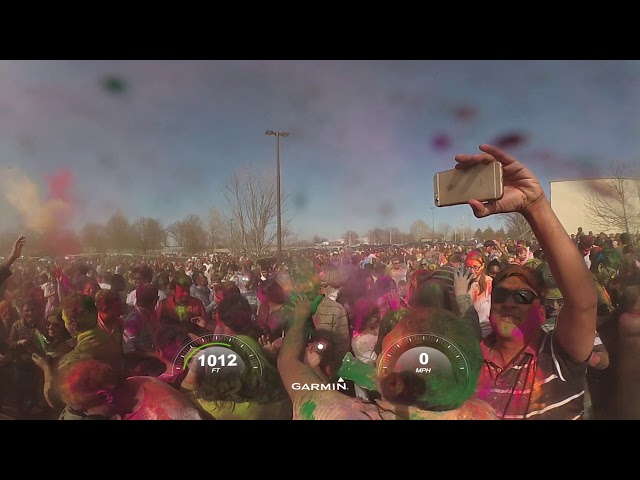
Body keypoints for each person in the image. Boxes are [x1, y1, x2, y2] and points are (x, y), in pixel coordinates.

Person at [455, 144, 597, 420]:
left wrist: (534, 205)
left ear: (541, 309)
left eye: (522, 296)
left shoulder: (558, 354)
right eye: (500, 295)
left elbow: (583, 301)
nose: (509, 302)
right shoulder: (469, 358)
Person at [278, 293, 496, 420]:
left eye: (383, 354)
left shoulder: (342, 414)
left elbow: (288, 362)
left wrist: (300, 317)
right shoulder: (481, 413)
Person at [55, 359, 204, 420]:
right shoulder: (133, 383)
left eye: (85, 410)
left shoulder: (161, 415)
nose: (87, 415)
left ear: (105, 395)